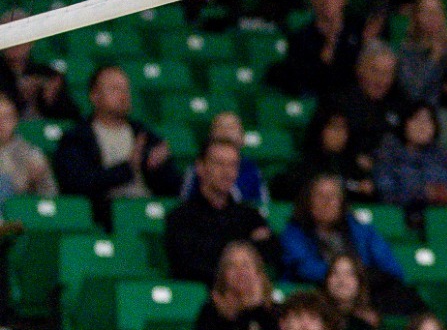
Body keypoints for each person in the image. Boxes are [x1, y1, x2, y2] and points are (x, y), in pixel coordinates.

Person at [52, 66, 178, 221]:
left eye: (126, 89)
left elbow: (173, 187)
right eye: (115, 89)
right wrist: (127, 169)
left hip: (148, 211)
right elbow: (77, 183)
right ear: (94, 96)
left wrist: (158, 168)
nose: (123, 96)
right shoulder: (77, 138)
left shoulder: (145, 135)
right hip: (105, 217)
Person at [164, 139, 277, 282]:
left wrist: (216, 248)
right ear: (200, 167)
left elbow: (272, 255)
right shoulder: (181, 217)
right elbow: (189, 266)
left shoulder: (250, 216)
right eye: (219, 164)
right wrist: (246, 246)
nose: (227, 172)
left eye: (233, 165)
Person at [279, 173, 406, 290]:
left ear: (342, 202)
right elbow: (305, 269)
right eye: (320, 196)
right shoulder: (293, 234)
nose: (327, 202)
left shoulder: (360, 230)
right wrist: (349, 276)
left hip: (365, 291)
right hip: (316, 293)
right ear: (308, 201)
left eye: (333, 196)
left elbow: (391, 268)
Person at [273, 0, 366, 101]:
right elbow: (301, 81)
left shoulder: (359, 29)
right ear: (311, 0)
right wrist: (325, 53)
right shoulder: (301, 39)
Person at [328, 42, 410, 171]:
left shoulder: (400, 102)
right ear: (359, 69)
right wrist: (355, 159)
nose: (381, 80)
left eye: (388, 73)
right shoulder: (340, 103)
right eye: (375, 71)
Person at [373, 104, 447, 210]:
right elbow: (384, 191)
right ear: (405, 123)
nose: (422, 126)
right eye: (416, 119)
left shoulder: (442, 157)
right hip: (396, 219)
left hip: (439, 219)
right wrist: (423, 193)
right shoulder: (388, 154)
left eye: (428, 120)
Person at [178, 112, 268, 207]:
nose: (226, 133)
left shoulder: (252, 169)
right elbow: (185, 202)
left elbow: (263, 206)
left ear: (242, 137)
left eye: (232, 128)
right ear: (211, 135)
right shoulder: (198, 168)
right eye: (221, 127)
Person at [397, 0, 447, 107]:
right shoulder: (407, 50)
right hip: (422, 113)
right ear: (416, 17)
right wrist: (433, 58)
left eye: (437, 11)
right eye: (426, 11)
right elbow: (412, 93)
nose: (433, 16)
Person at [321, 253, 385, 330]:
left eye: (349, 274)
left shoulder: (369, 321)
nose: (341, 280)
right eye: (335, 273)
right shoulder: (316, 315)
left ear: (360, 281)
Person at [0, 92, 55, 198]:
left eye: (6, 118)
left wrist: (34, 183)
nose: (1, 123)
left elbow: (50, 196)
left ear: (15, 121)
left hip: (19, 211)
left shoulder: (32, 155)